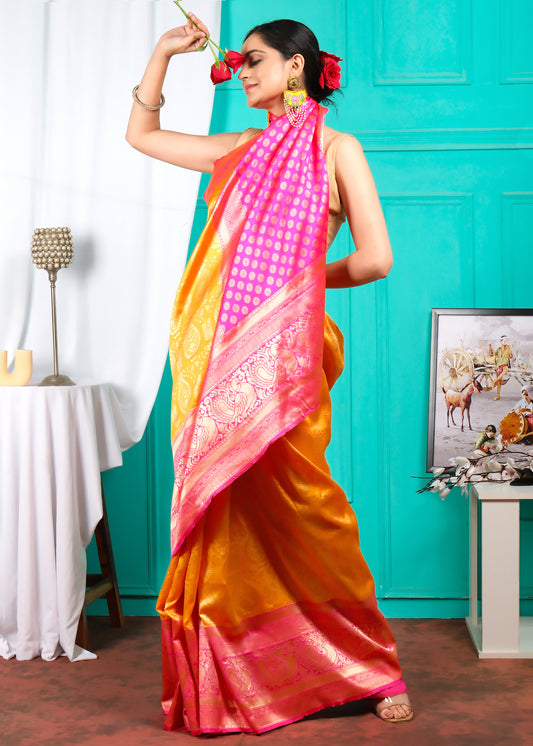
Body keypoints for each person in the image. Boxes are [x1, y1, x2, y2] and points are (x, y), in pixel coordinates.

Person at [126, 13, 413, 734]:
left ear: (296, 67)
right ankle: (240, 664)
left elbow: (376, 259)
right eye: (239, 62)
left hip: (285, 354)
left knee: (304, 507)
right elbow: (142, 136)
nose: (242, 72)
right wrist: (162, 53)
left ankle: (370, 663)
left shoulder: (334, 148)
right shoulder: (238, 148)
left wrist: (300, 284)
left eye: (254, 61)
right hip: (221, 356)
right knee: (231, 512)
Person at [492, 335, 514, 400]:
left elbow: (511, 356)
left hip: (505, 365)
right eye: (504, 341)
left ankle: (494, 381)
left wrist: (509, 348)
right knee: (499, 382)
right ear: (501, 342)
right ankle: (498, 396)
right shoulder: (498, 349)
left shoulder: (508, 348)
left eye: (506, 341)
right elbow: (492, 354)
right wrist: (490, 347)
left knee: (505, 369)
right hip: (498, 365)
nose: (505, 342)